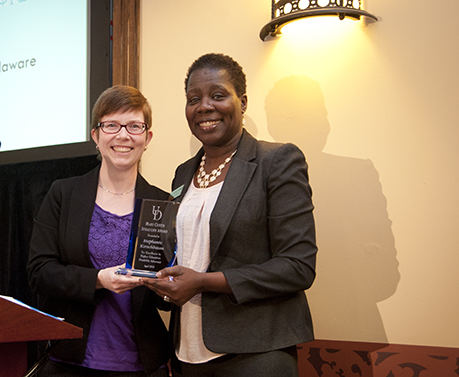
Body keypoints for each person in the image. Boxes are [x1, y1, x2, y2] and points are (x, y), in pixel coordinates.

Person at [141, 53, 317, 377]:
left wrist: (203, 283)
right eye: (194, 99)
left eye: (218, 95)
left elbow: (298, 266)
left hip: (255, 355)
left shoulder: (276, 161)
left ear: (243, 102)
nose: (204, 106)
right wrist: (157, 277)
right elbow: (184, 254)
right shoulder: (182, 175)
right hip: (185, 355)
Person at [27, 85, 172, 377]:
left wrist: (167, 287)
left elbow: (164, 293)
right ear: (96, 135)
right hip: (70, 362)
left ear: (147, 137)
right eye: (111, 125)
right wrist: (98, 280)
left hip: (142, 364)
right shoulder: (64, 194)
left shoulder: (164, 204)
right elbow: (39, 272)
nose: (123, 135)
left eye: (134, 126)